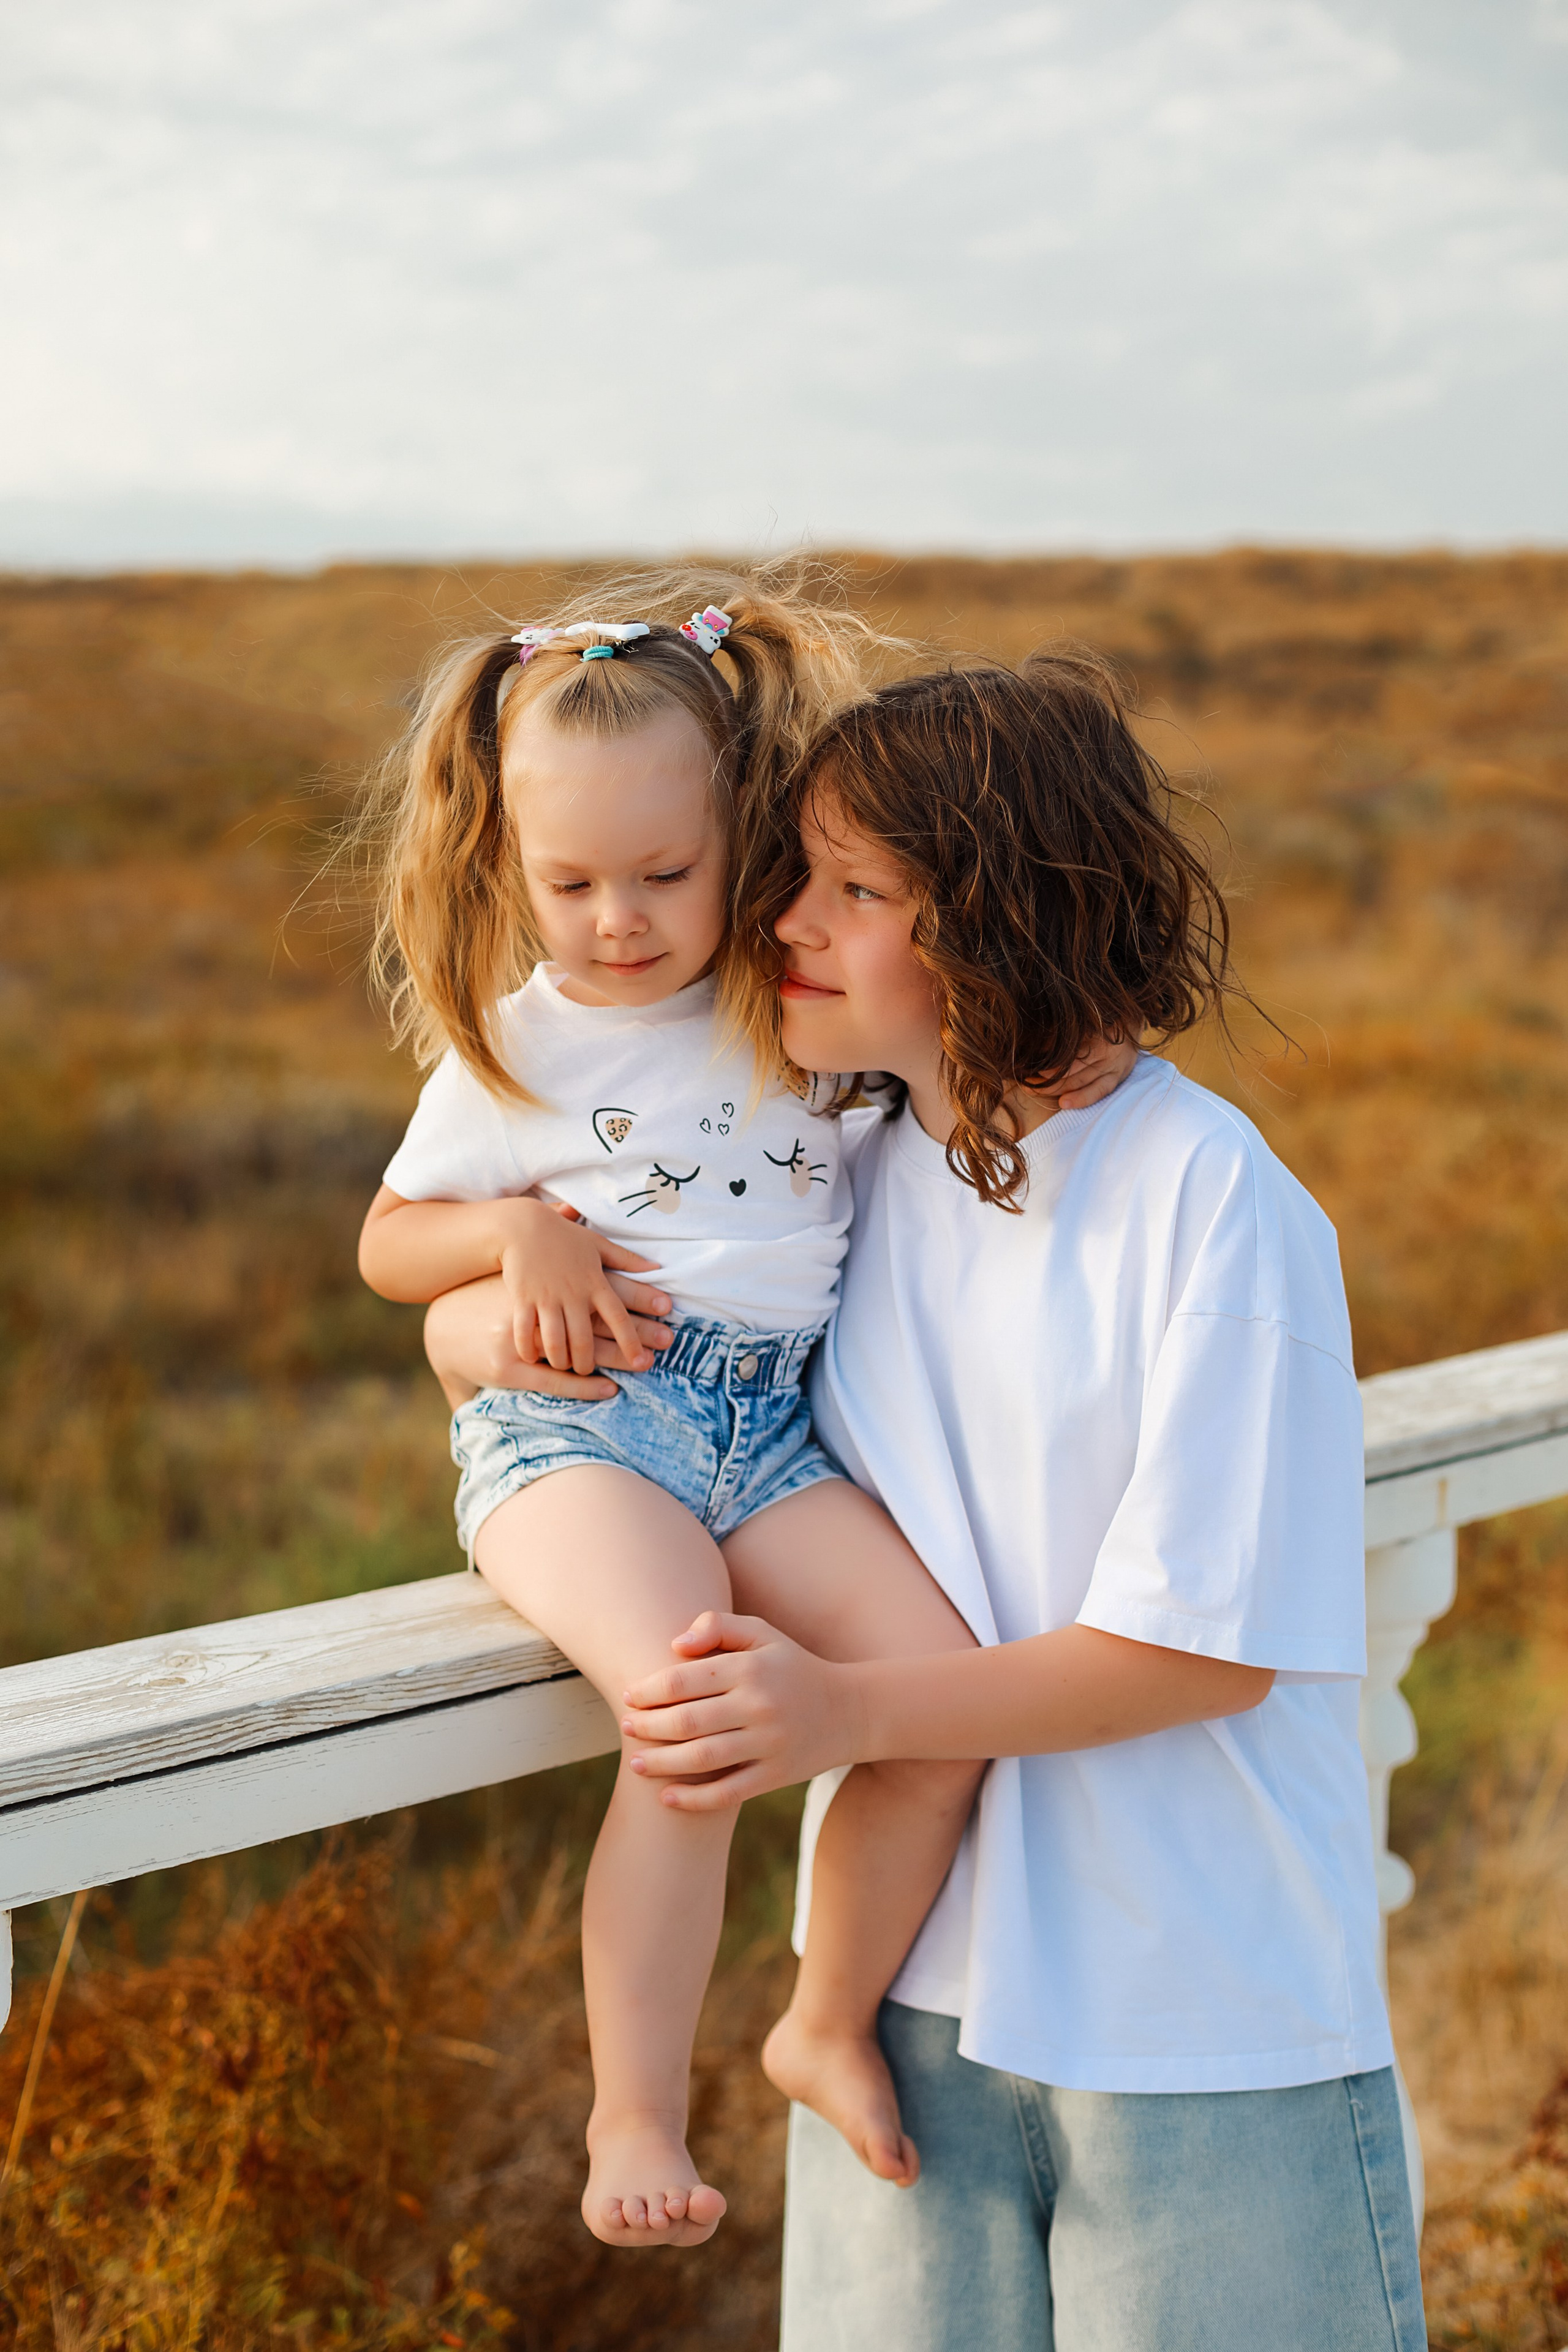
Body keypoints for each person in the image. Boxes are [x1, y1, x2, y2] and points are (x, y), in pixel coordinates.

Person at [603, 651, 1428, 2349]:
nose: (786, 925)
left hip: (1199, 2011)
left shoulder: (1212, 1199)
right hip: (902, 2005)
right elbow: (622, 1349)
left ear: (1001, 914)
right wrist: (474, 1307)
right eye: (797, 877)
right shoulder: (837, 1181)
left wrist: (842, 1711)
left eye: (854, 892)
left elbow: (1201, 1652)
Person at [354, 580, 1134, 2253]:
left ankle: (822, 2020)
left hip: (770, 1441)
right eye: (570, 884)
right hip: (586, 1433)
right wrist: (513, 1235)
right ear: (508, 865)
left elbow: (956, 1039)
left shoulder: (788, 1016)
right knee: (688, 1714)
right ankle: (632, 2111)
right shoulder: (514, 1052)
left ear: (738, 843)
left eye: (665, 874)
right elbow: (387, 1244)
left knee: (938, 1703)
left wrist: (1085, 1047)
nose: (619, 922)